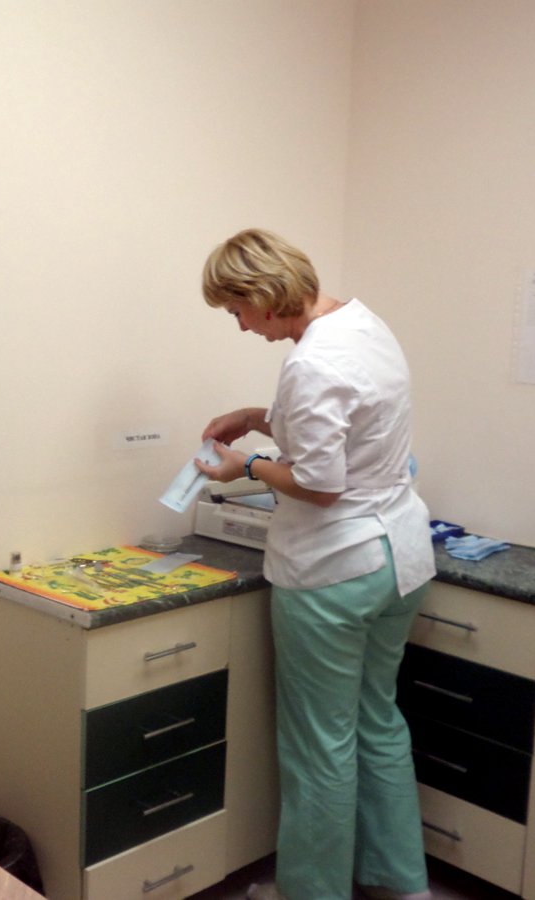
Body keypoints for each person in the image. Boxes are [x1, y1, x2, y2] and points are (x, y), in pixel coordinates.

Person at [194, 229, 435, 900]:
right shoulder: (362, 323)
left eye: (237, 310)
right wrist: (258, 416)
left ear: (264, 295)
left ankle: (311, 893)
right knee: (377, 720)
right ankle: (401, 881)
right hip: (398, 559)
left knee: (319, 745)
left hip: (335, 572)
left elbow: (321, 483)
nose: (242, 326)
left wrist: (246, 465)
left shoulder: (309, 362)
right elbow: (349, 423)